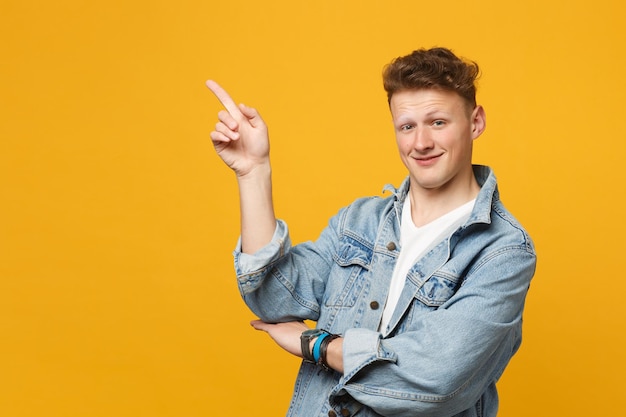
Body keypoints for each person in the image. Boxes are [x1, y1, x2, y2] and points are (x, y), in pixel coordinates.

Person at [207, 47, 536, 417]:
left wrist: (317, 345)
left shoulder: (503, 250)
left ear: (475, 122)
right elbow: (272, 299)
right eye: (407, 126)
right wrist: (253, 172)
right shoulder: (360, 221)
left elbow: (435, 379)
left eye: (438, 122)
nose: (421, 142)